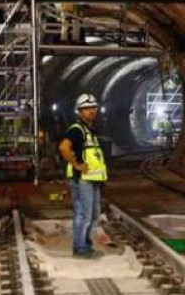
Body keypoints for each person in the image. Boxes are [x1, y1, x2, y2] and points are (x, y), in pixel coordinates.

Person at [58, 93, 108, 258]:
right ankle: (80, 248)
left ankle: (85, 244)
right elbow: (64, 147)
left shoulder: (90, 131)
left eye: (94, 108)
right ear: (80, 111)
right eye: (87, 109)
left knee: (93, 215)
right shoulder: (77, 130)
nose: (92, 111)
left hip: (93, 180)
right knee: (83, 214)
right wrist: (77, 165)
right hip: (82, 180)